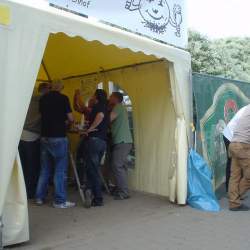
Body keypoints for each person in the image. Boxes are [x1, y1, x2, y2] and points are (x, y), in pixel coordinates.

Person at [36, 80, 75, 209]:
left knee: (45, 169)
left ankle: (39, 198)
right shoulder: (63, 98)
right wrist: (68, 124)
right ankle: (59, 201)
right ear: (61, 88)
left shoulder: (42, 99)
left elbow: (42, 116)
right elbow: (71, 118)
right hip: (58, 137)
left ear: (51, 87)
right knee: (60, 170)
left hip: (44, 137)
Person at [19, 82, 51, 199]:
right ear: (45, 89)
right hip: (33, 136)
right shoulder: (43, 101)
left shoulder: (27, 98)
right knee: (33, 166)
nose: (51, 90)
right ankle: (30, 192)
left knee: (23, 166)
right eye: (50, 88)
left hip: (21, 134)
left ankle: (21, 191)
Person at [84, 89, 109, 208]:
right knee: (93, 167)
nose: (92, 97)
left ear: (96, 96)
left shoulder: (99, 106)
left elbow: (100, 115)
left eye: (93, 95)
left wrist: (90, 128)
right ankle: (89, 190)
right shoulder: (105, 106)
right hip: (102, 141)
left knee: (93, 169)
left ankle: (98, 198)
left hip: (95, 140)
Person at [109, 92, 133, 200]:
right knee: (120, 166)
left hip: (122, 141)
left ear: (115, 98)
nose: (109, 98)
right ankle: (121, 188)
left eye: (111, 97)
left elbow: (109, 119)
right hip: (124, 141)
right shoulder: (120, 108)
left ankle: (124, 192)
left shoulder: (118, 107)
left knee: (117, 165)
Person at [228, 104, 250, 211]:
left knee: (235, 176)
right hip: (242, 146)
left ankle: (233, 203)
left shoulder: (246, 109)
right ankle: (238, 195)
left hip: (233, 144)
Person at [223, 106, 247, 192]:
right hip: (230, 136)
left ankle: (233, 192)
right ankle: (232, 191)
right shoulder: (247, 112)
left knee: (235, 163)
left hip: (234, 135)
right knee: (234, 163)